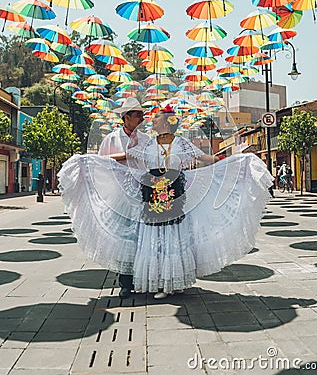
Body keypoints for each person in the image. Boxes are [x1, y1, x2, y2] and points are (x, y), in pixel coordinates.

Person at [58, 105, 273, 300]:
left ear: (167, 122)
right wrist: (89, 160)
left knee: (174, 235)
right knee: (156, 236)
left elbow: (202, 158)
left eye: (156, 118)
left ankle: (173, 282)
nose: (150, 120)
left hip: (175, 191)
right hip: (152, 192)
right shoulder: (148, 143)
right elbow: (126, 157)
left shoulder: (181, 143)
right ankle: (161, 281)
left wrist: (233, 161)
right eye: (146, 117)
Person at [98, 97, 146, 299]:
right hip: (121, 193)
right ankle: (125, 281)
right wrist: (124, 157)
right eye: (137, 115)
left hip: (142, 192)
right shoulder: (112, 139)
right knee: (125, 236)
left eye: (142, 115)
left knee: (141, 236)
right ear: (126, 118)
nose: (141, 119)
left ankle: (142, 277)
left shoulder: (146, 139)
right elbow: (100, 161)